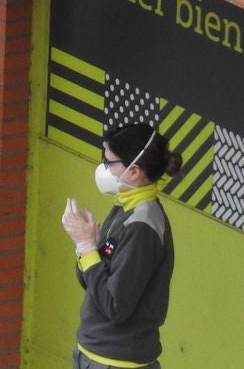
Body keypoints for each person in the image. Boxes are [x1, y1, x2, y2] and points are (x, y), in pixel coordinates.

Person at [62, 123, 179, 368]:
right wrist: (87, 247)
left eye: (109, 162)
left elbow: (115, 306)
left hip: (117, 362)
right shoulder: (123, 208)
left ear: (134, 171)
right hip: (91, 353)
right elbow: (92, 282)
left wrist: (87, 248)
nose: (103, 169)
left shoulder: (142, 227)